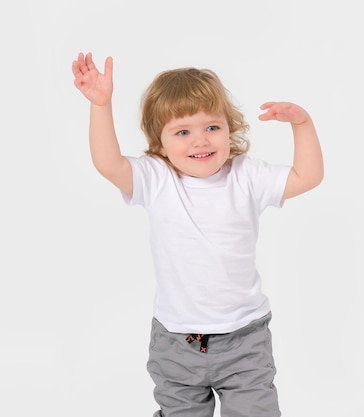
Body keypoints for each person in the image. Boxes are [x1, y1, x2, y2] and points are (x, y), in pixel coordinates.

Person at [71, 52, 323, 417]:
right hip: (177, 342)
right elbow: (108, 163)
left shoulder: (246, 176)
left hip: (245, 339)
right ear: (160, 143)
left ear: (229, 128)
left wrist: (302, 123)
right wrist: (101, 105)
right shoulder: (157, 179)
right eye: (183, 132)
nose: (200, 141)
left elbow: (307, 177)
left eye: (212, 127)